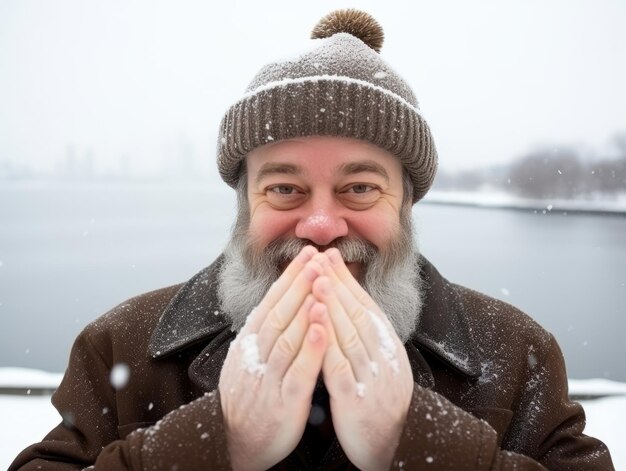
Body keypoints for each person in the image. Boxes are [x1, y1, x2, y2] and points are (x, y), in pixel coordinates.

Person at [10, 9, 614, 471]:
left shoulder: (517, 354)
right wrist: (220, 440)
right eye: (285, 190)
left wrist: (414, 439)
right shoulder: (121, 347)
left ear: (405, 205)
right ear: (245, 203)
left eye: (358, 189)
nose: (321, 227)